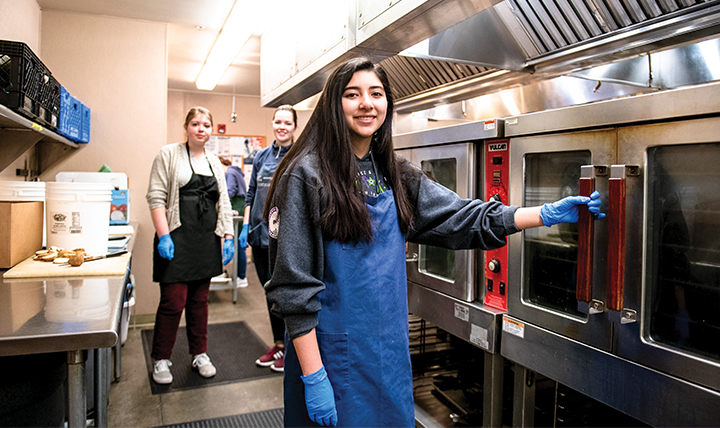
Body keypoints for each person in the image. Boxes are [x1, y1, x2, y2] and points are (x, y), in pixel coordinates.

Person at [262, 57, 605, 427]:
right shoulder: (306, 175)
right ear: (333, 104)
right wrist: (314, 378)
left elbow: (461, 217)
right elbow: (293, 290)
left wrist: (544, 214)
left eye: (376, 93)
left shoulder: (393, 174)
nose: (367, 103)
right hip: (330, 357)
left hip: (386, 354)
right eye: (352, 94)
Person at [146, 106, 235, 385]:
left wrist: (229, 236)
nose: (201, 129)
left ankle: (199, 354)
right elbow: (156, 197)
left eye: (206, 125)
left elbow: (224, 202)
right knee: (173, 302)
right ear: (186, 127)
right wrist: (163, 235)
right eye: (195, 124)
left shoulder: (214, 162)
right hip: (176, 238)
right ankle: (161, 359)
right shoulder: (168, 154)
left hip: (205, 240)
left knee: (199, 302)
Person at [239, 104, 297, 372]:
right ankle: (279, 345)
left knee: (284, 293)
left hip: (282, 235)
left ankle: (293, 349)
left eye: (287, 122)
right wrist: (245, 226)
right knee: (269, 291)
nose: (282, 126)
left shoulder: (299, 155)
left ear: (295, 127)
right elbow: (251, 193)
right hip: (259, 233)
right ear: (272, 123)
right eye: (278, 121)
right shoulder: (262, 155)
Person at [219, 156, 249, 288]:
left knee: (237, 245)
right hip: (241, 205)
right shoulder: (236, 171)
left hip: (237, 206)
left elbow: (229, 191)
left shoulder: (229, 172)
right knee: (238, 245)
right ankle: (240, 276)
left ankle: (241, 276)